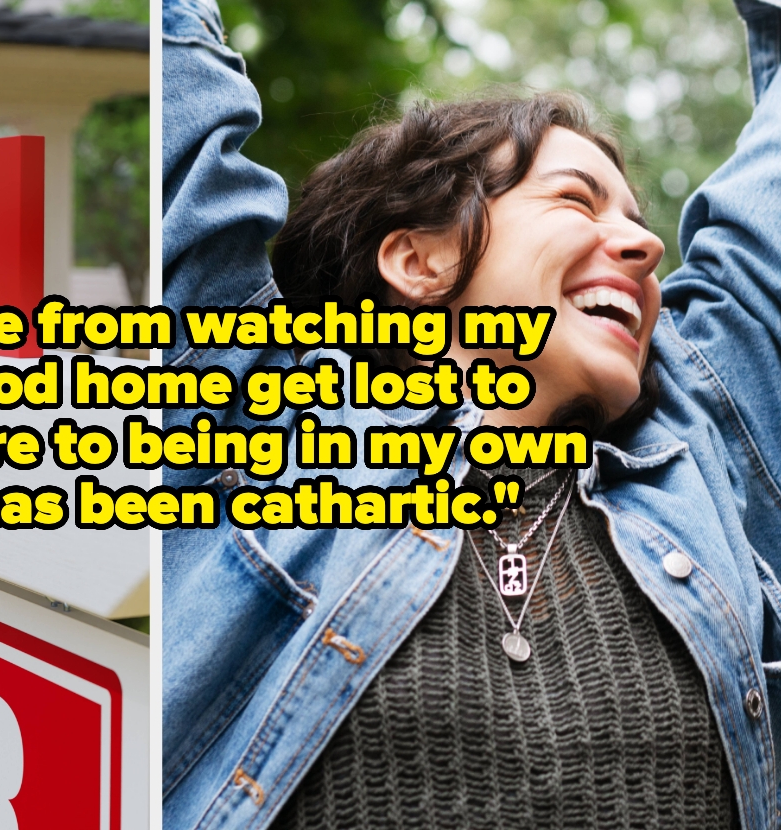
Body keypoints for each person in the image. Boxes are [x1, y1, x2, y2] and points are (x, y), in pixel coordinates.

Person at [161, 0, 781, 828]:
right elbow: (165, 93)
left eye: (636, 220)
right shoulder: (256, 426)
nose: (645, 246)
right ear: (420, 259)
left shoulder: (705, 443)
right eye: (575, 201)